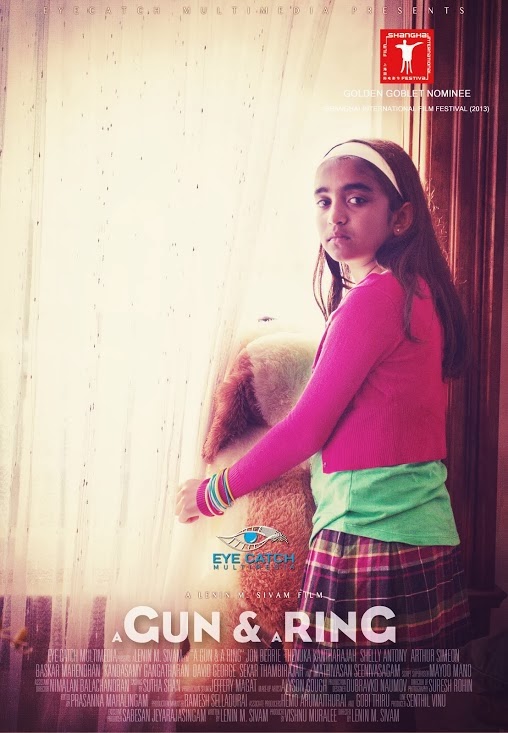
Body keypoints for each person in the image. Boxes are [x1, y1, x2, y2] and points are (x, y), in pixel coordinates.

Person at [176, 139, 472, 676]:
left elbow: (304, 431)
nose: (335, 214)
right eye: (323, 200)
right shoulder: (416, 292)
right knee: (398, 706)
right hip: (423, 531)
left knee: (341, 710)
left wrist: (211, 493)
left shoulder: (375, 300)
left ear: (401, 217)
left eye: (356, 199)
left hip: (366, 536)